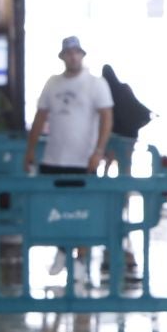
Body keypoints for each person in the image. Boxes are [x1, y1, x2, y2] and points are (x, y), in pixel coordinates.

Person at [25, 36, 114, 286]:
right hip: (55, 157)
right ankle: (63, 250)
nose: (73, 57)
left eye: (77, 53)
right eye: (68, 53)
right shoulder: (52, 84)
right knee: (56, 209)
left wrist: (99, 151)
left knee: (83, 211)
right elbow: (40, 116)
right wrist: (30, 150)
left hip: (83, 159)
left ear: (82, 55)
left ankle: (78, 259)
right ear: (62, 56)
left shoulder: (95, 84)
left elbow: (107, 118)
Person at [100, 63, 154, 280]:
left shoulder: (106, 92)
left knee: (108, 177)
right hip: (127, 142)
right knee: (124, 176)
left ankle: (108, 188)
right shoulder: (124, 90)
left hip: (112, 143)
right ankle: (121, 192)